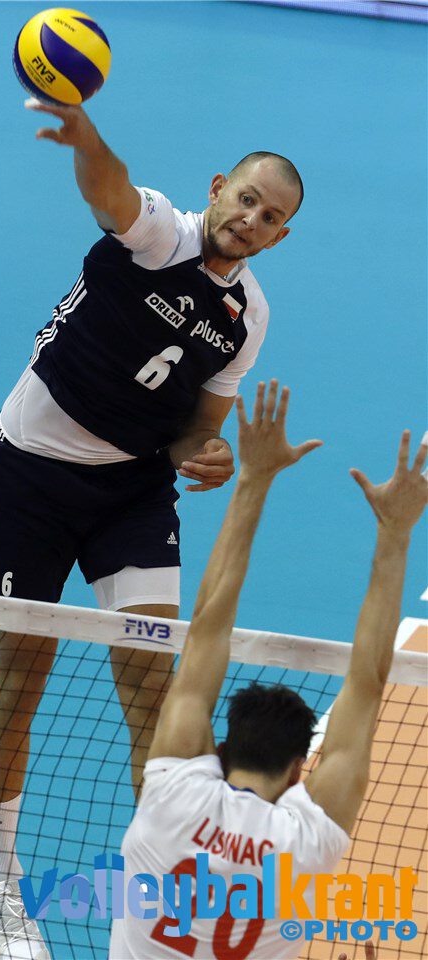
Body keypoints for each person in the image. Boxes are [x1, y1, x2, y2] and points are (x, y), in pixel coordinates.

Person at [0, 98, 303, 958]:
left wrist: (209, 456)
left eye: (270, 217)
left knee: (153, 687)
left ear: (278, 236)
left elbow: (198, 429)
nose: (251, 219)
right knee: (22, 672)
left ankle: (163, 875)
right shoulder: (159, 233)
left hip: (130, 494)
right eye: (246, 199)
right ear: (217, 188)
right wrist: (85, 138)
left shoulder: (248, 318)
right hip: (29, 478)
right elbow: (108, 189)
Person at [109, 379, 427, 959]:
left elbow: (206, 628)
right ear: (300, 771)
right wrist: (395, 533)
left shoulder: (172, 796)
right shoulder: (306, 840)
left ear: (220, 750)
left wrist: (252, 480)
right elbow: (369, 680)